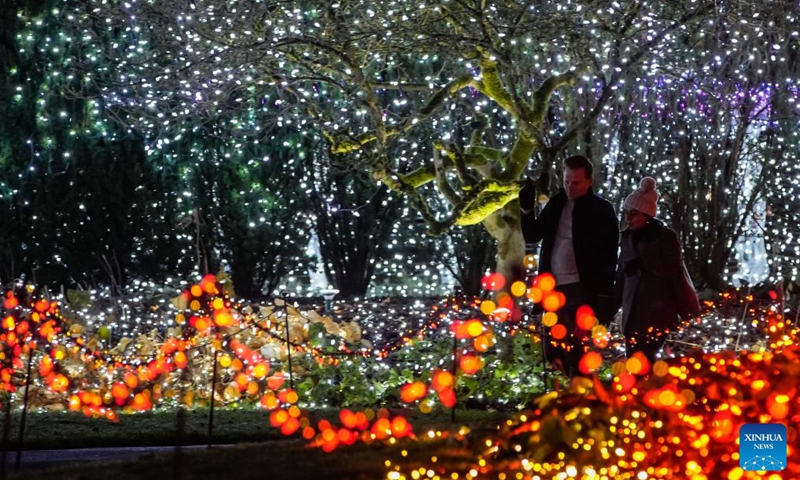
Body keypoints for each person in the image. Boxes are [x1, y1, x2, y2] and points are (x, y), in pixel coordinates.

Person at [519, 155, 618, 377]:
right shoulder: (557, 203)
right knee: (553, 350)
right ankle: (568, 396)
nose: (570, 187)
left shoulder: (601, 211)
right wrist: (526, 209)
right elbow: (533, 235)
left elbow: (609, 257)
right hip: (552, 287)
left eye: (576, 182)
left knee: (577, 350)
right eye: (566, 181)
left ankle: (579, 397)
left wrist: (604, 296)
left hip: (581, 289)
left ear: (589, 181)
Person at [615, 177, 700, 367]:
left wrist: (644, 261)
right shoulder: (627, 238)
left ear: (647, 215)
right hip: (632, 316)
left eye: (634, 213)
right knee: (635, 363)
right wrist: (610, 306)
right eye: (627, 212)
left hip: (656, 314)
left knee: (645, 363)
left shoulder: (664, 237)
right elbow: (622, 276)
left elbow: (673, 271)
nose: (629, 218)